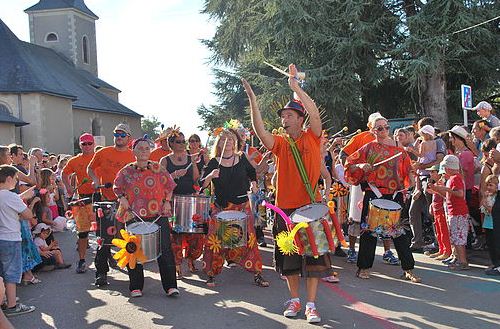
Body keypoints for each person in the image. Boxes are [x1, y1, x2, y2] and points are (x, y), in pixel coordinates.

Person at [244, 64, 330, 323]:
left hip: (310, 208)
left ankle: (312, 304)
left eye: (289, 115)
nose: (284, 118)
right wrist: (253, 103)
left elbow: (315, 113)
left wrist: (296, 88)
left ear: (299, 119)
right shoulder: (280, 143)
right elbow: (261, 132)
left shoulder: (313, 137)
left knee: (314, 259)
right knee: (290, 260)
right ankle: (294, 300)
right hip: (286, 210)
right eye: (283, 116)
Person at [344, 116, 421, 283]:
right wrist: (360, 166)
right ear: (373, 131)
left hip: (395, 194)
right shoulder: (368, 148)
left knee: (399, 233)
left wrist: (411, 180)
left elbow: (408, 168)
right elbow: (349, 163)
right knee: (369, 232)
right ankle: (363, 267)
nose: (384, 131)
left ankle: (408, 268)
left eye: (386, 127)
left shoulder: (400, 151)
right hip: (374, 192)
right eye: (380, 128)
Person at [200, 128, 269, 288]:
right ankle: (211, 273)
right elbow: (201, 185)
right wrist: (210, 176)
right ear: (219, 143)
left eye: (230, 139)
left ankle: (257, 273)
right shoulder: (213, 162)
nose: (228, 142)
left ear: (235, 142)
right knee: (215, 240)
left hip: (242, 205)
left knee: (249, 240)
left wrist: (253, 184)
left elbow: (252, 173)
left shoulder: (241, 158)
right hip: (221, 206)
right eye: (224, 140)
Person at [114, 136, 179, 298]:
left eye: (146, 148)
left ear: (150, 151)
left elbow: (169, 186)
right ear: (133, 151)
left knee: (164, 249)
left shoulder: (158, 168)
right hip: (134, 215)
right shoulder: (126, 171)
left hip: (158, 214)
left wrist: (167, 202)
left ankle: (170, 286)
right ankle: (136, 287)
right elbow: (117, 188)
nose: (143, 151)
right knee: (134, 250)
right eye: (140, 148)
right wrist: (122, 199)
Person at [87, 123, 135, 286]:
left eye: (122, 135)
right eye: (116, 135)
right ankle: (101, 272)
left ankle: (132, 268)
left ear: (129, 137)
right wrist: (95, 180)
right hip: (107, 201)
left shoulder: (133, 155)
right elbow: (90, 168)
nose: (119, 138)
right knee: (104, 238)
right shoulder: (103, 152)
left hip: (127, 203)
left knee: (127, 237)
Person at [160, 129, 204, 277]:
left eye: (183, 141)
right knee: (175, 235)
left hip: (190, 198)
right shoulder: (165, 160)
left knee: (196, 234)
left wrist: (193, 163)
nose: (182, 144)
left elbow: (196, 178)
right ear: (171, 143)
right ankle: (177, 263)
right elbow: (160, 182)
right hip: (173, 201)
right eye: (179, 142)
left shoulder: (189, 157)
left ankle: (191, 259)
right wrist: (173, 175)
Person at [0, 165, 36, 317]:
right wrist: (27, 201)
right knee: (12, 274)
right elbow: (28, 215)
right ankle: (13, 305)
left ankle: (4, 299)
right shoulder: (10, 196)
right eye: (16, 179)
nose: (16, 182)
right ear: (9, 178)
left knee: (2, 273)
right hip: (10, 238)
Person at [62, 133, 97, 273]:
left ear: (93, 144)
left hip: (99, 197)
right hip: (82, 199)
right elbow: (64, 174)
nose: (87, 146)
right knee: (83, 232)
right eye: (84, 144)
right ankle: (82, 260)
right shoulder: (75, 161)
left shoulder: (99, 157)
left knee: (103, 231)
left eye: (89, 143)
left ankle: (107, 258)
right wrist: (69, 188)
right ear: (80, 145)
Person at [428, 155, 470, 270]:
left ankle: (463, 262)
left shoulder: (456, 178)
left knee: (458, 238)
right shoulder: (453, 178)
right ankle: (458, 259)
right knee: (456, 237)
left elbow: (460, 194)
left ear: (448, 167)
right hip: (454, 212)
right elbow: (448, 197)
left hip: (458, 213)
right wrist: (437, 190)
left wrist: (446, 189)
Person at [426, 165, 451, 260]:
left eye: (433, 172)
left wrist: (436, 189)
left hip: (441, 210)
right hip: (436, 209)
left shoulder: (443, 183)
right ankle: (441, 249)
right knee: (439, 232)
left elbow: (445, 195)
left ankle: (446, 251)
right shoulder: (437, 183)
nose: (430, 174)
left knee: (444, 232)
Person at [480, 175, 500, 275]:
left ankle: (498, 265)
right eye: (487, 185)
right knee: (491, 245)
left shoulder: (497, 198)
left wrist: (486, 205)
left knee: (497, 246)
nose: (488, 187)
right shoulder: (489, 197)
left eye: (491, 185)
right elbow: (483, 211)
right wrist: (484, 199)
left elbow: (493, 210)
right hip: (488, 224)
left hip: (495, 225)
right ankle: (495, 263)